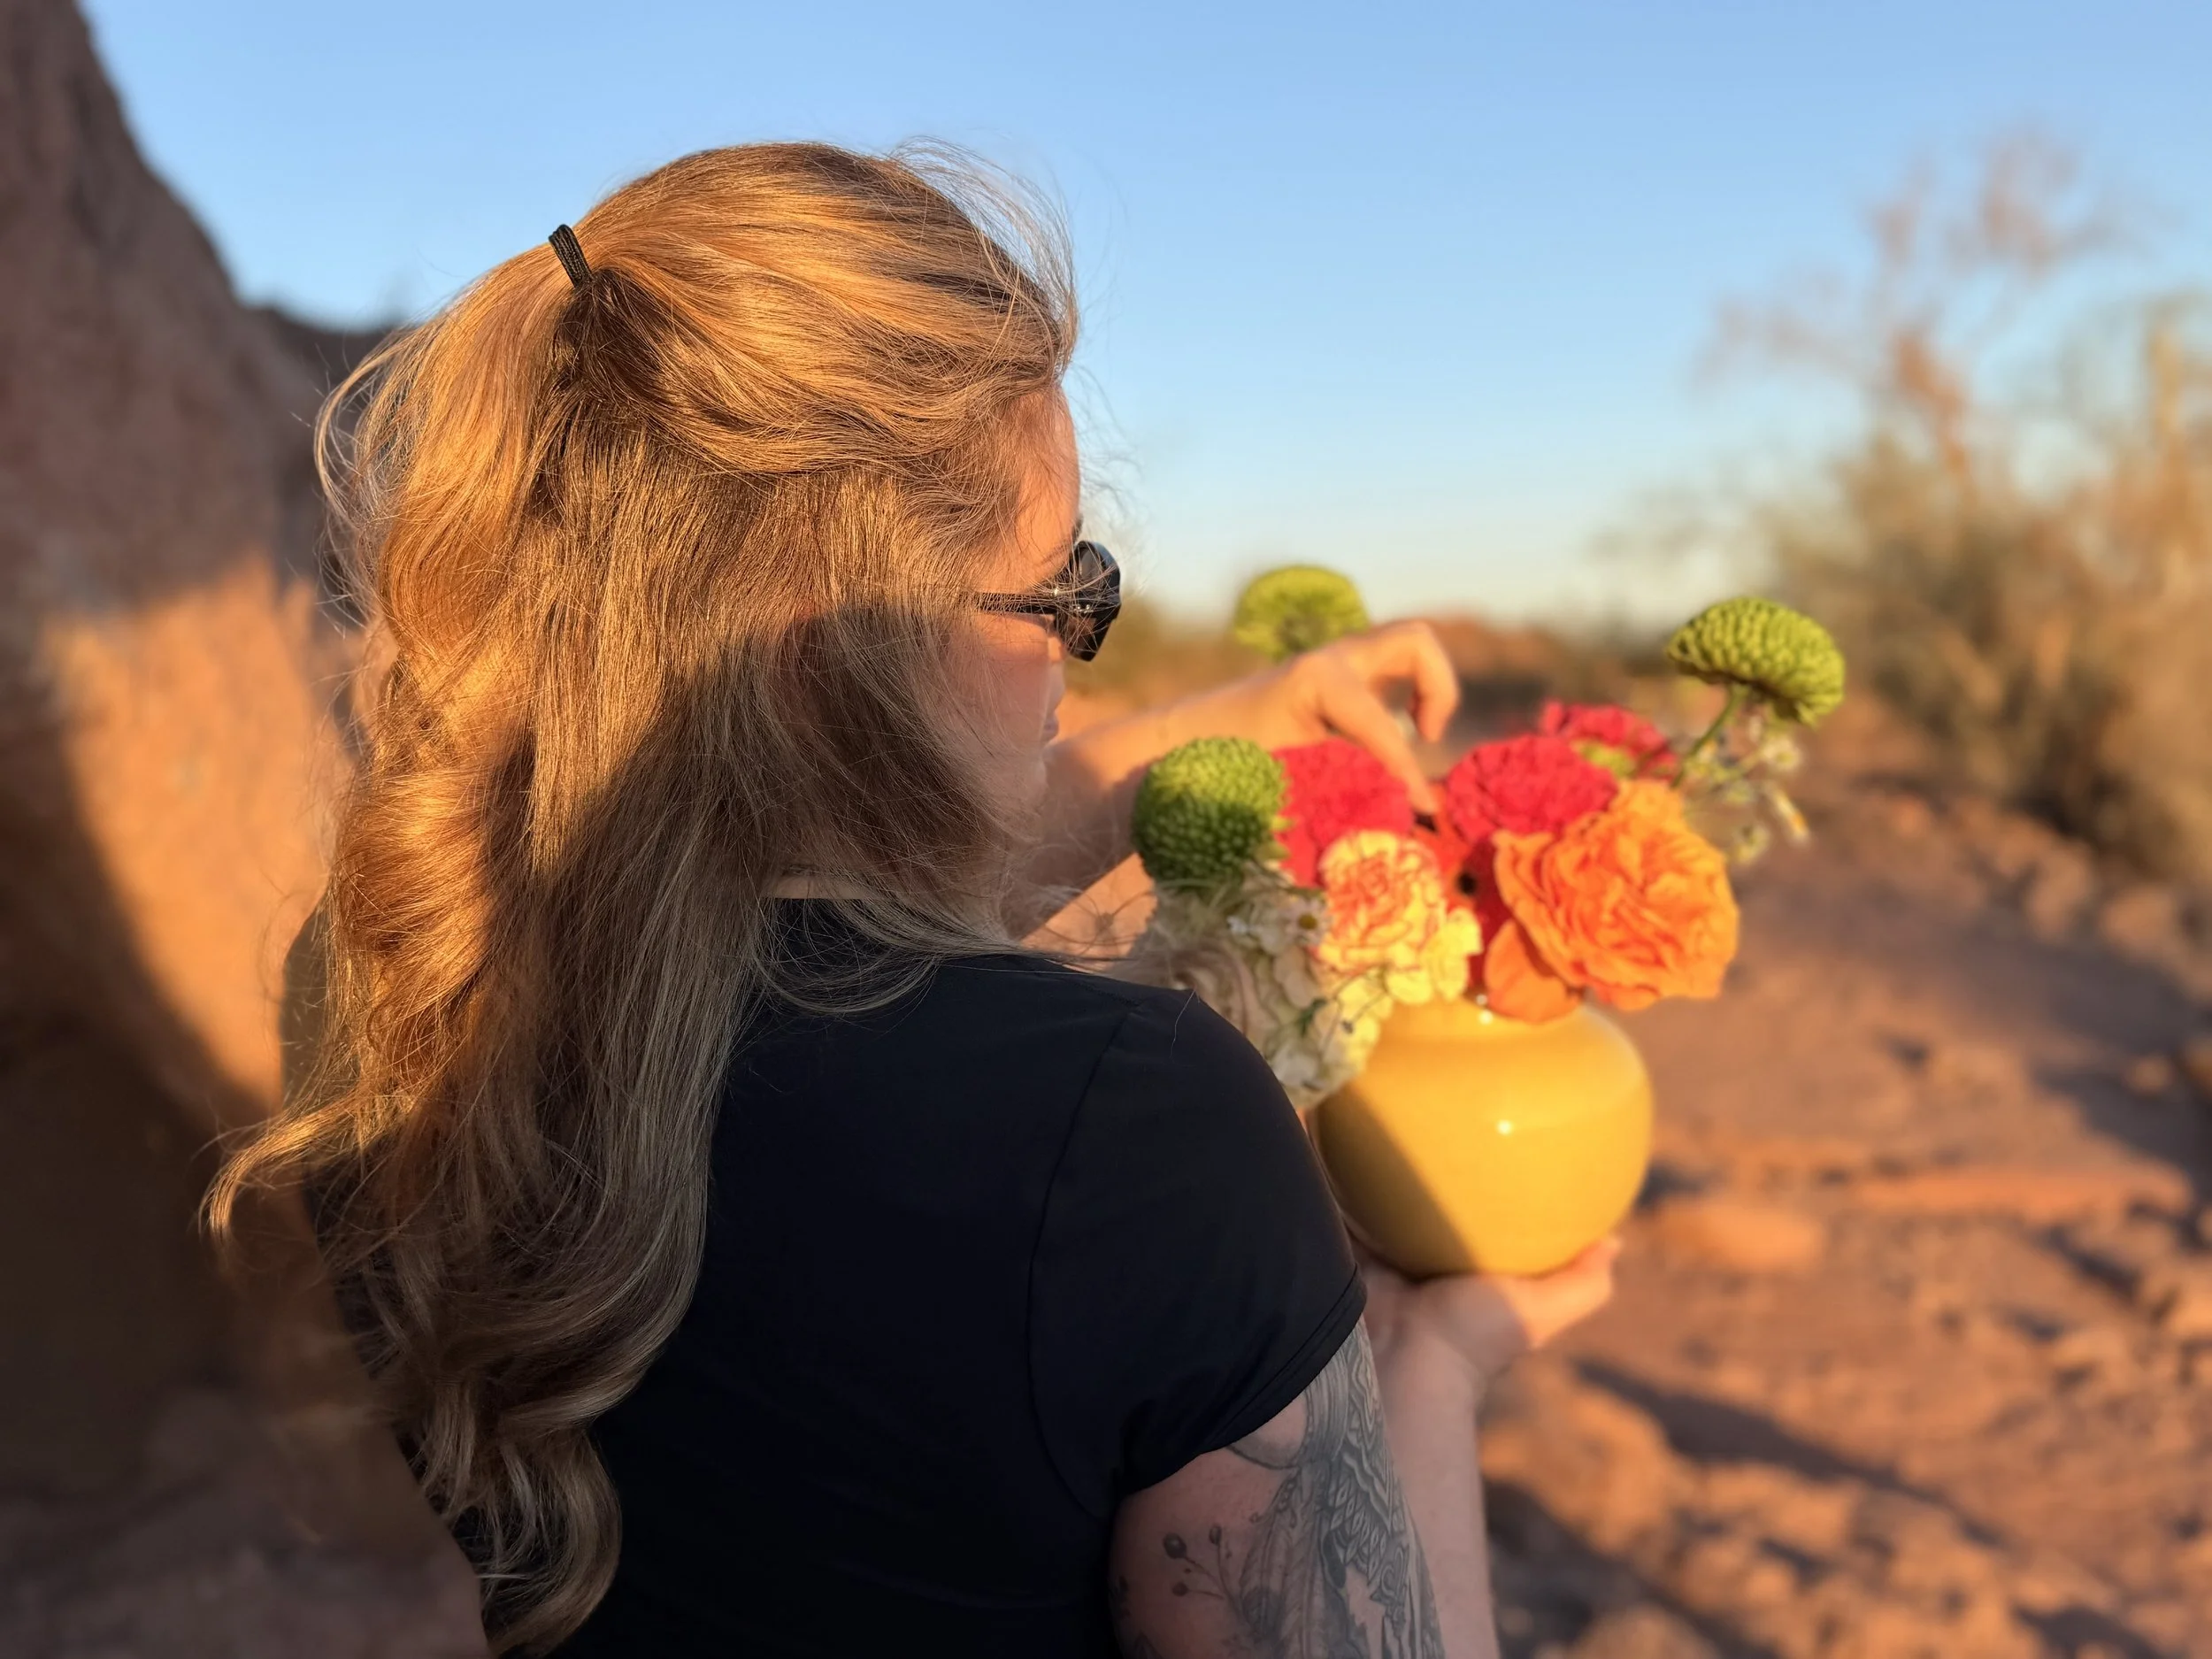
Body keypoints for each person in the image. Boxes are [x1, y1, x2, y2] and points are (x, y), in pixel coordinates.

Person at [211, 142, 1617, 1657]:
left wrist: (1239, 718)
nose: (1082, 649)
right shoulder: (1132, 1133)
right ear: (839, 649)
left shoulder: (389, 988)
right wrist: (1429, 1360)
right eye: (1066, 594)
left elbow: (791, 946)